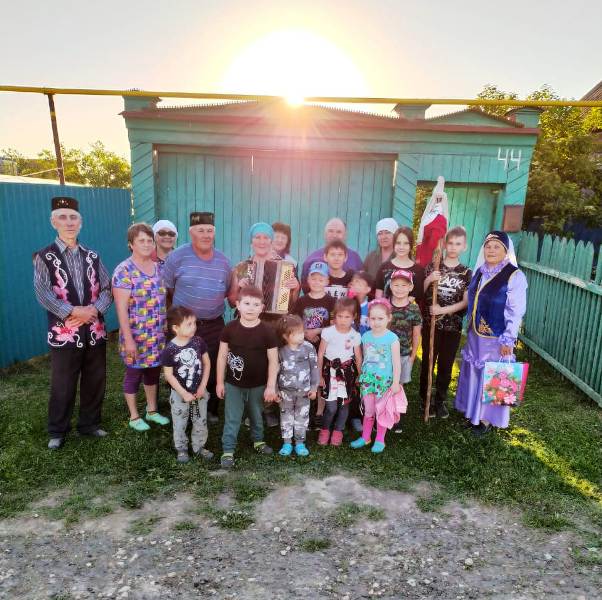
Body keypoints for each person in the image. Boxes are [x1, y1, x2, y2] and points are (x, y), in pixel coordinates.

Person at [34, 196, 112, 450]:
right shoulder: (44, 256)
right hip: (64, 333)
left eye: (73, 217)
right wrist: (73, 311)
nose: (69, 222)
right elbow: (43, 293)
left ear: (81, 222)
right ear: (53, 222)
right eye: (63, 217)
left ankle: (90, 424)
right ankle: (58, 430)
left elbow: (107, 288)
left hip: (94, 331)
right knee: (63, 383)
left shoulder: (93, 256)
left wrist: (94, 310)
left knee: (95, 380)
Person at [163, 212, 235, 424]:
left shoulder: (223, 261)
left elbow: (228, 293)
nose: (206, 235)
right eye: (200, 230)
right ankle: (180, 407)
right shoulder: (176, 257)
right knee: (180, 366)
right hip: (182, 326)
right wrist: (175, 319)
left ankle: (210, 408)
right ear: (191, 232)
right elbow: (167, 290)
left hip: (213, 324)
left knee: (211, 365)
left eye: (209, 230)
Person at [454, 231, 528, 436]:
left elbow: (516, 310)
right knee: (475, 372)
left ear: (506, 251)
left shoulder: (514, 276)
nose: (491, 250)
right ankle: (473, 414)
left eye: (497, 247)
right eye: (488, 246)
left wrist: (509, 338)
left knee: (493, 374)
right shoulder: (480, 271)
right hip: (476, 335)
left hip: (497, 338)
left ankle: (486, 420)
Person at [112, 223, 170, 432]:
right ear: (131, 244)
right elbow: (120, 309)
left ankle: (152, 411)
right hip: (135, 335)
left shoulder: (159, 268)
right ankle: (134, 416)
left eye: (149, 240)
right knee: (134, 374)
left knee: (153, 372)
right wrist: (128, 339)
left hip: (157, 334)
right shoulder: (124, 270)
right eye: (141, 241)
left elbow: (162, 299)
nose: (146, 244)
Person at [216, 286, 279, 468]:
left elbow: (273, 360)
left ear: (262, 308)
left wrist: (270, 386)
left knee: (256, 415)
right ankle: (228, 450)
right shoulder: (229, 328)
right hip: (233, 384)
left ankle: (258, 441)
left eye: (256, 304)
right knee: (233, 418)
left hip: (258, 385)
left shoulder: (267, 330)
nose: (251, 308)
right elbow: (221, 357)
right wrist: (220, 382)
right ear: (238, 305)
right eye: (247, 303)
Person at [421, 227, 471, 419]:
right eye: (450, 243)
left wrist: (441, 310)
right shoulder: (434, 266)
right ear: (444, 244)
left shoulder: (466, 273)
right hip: (431, 325)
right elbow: (420, 291)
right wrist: (429, 279)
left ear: (464, 247)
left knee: (445, 364)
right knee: (428, 362)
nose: (453, 247)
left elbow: (465, 302)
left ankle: (440, 400)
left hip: (453, 327)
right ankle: (425, 399)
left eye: (458, 244)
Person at [351, 299, 407, 453]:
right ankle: (365, 437)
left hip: (384, 381)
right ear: (368, 319)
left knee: (381, 410)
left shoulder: (392, 339)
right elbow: (363, 358)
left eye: (380, 318)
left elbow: (397, 363)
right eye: (373, 318)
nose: (376, 322)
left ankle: (380, 439)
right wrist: (361, 375)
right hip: (368, 380)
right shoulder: (365, 336)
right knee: (369, 410)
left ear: (389, 318)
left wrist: (395, 382)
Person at [161, 305, 214, 464]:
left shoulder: (198, 342)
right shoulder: (169, 349)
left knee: (200, 420)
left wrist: (202, 386)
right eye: (189, 324)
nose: (194, 327)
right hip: (179, 394)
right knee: (180, 421)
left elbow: (207, 364)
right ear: (175, 328)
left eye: (194, 323)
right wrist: (183, 393)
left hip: (199, 392)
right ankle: (181, 448)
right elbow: (168, 375)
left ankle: (199, 446)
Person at [232, 222, 300, 324]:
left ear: (271, 241)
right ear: (251, 241)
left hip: (275, 322)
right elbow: (232, 302)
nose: (262, 242)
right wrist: (238, 288)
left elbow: (292, 304)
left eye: (266, 238)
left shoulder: (285, 267)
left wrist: (296, 289)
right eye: (257, 237)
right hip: (248, 322)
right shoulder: (242, 267)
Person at [317, 297, 362, 447]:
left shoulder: (355, 335)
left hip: (347, 374)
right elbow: (320, 353)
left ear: (354, 317)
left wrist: (360, 375)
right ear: (334, 316)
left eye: (347, 317)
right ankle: (325, 429)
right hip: (329, 373)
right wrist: (319, 375)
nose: (343, 320)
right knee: (331, 407)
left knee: (344, 405)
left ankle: (338, 430)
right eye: (340, 316)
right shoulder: (328, 332)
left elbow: (358, 357)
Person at [276, 315, 319, 457]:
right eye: (297, 333)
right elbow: (275, 371)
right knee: (286, 417)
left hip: (304, 393)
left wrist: (314, 388)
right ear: (285, 336)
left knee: (302, 417)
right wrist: (275, 390)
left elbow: (314, 368)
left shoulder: (308, 348)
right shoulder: (280, 351)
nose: (301, 335)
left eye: (302, 332)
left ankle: (300, 443)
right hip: (285, 393)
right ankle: (287, 443)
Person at [389, 269, 422, 433]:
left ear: (411, 287)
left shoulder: (414, 309)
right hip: (384, 355)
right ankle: (383, 413)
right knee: (383, 384)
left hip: (403, 355)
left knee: (398, 386)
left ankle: (396, 416)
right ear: (390, 285)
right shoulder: (385, 305)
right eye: (396, 285)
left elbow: (416, 334)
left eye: (404, 285)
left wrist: (413, 355)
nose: (400, 288)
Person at [301, 218, 363, 290]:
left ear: (345, 235)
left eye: (339, 232)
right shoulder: (312, 259)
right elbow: (305, 287)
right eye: (330, 231)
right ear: (325, 234)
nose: (334, 235)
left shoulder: (355, 258)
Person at [375, 226, 425, 307]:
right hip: (384, 312)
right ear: (394, 244)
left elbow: (414, 297)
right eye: (398, 243)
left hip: (406, 313)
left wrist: (396, 310)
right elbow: (378, 295)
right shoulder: (384, 267)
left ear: (411, 245)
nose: (401, 247)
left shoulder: (419, 271)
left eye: (406, 243)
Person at [292, 261, 335, 351]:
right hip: (303, 347)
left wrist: (317, 331)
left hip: (325, 348)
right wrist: (305, 332)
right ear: (308, 279)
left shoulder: (332, 302)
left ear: (327, 281)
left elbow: (335, 325)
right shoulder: (301, 301)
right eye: (313, 279)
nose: (316, 282)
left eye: (321, 280)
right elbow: (294, 322)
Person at [415, 176, 449, 268]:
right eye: (437, 198)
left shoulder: (441, 219)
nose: (438, 200)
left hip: (434, 253)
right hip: (423, 249)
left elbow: (437, 240)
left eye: (440, 198)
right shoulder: (427, 217)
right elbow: (421, 236)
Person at [348, 271, 373, 336]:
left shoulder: (371, 308)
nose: (354, 285)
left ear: (367, 289)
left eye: (358, 283)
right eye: (352, 283)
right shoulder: (345, 305)